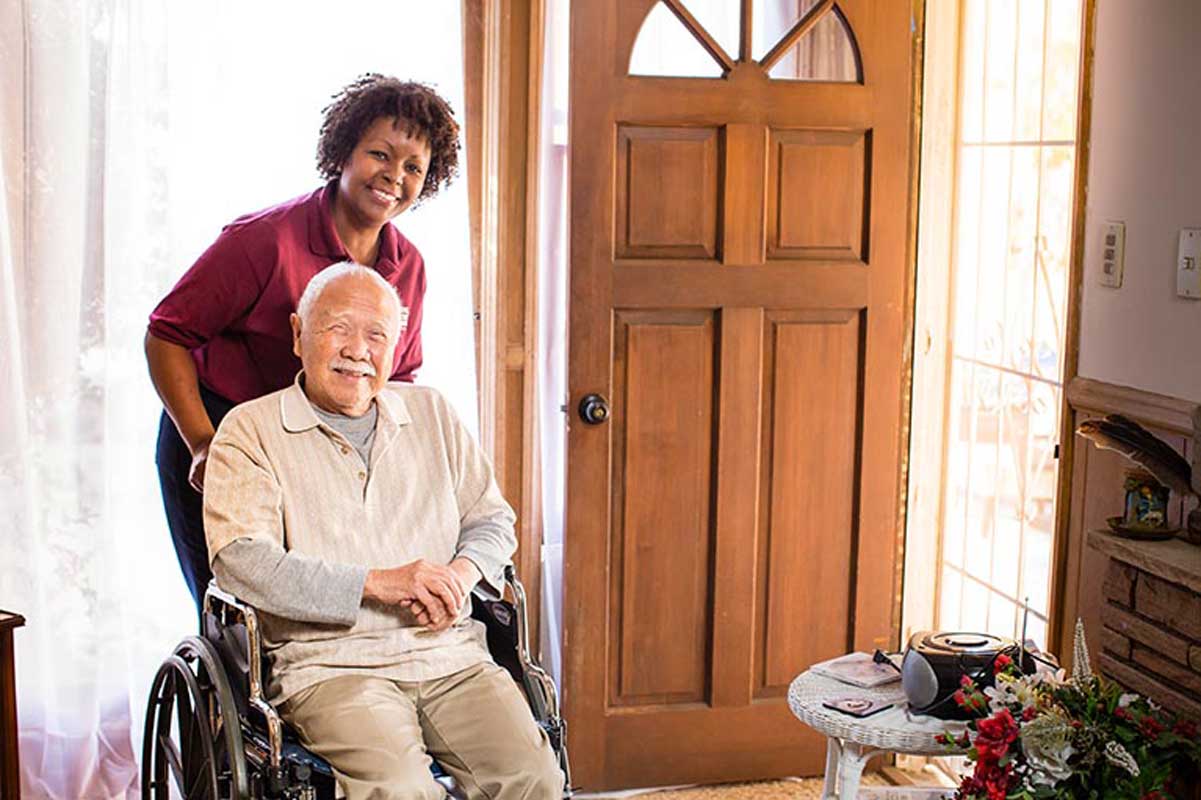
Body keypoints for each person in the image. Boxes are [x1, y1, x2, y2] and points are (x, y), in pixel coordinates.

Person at [203, 263, 563, 800]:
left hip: (451, 654)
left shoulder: (432, 413)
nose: (357, 349)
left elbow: (492, 521)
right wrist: (378, 583)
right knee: (400, 789)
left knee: (533, 778)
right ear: (299, 334)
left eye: (376, 334)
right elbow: (241, 561)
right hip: (330, 666)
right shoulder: (251, 430)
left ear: (396, 344)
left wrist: (459, 578)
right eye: (338, 328)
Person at [146, 75, 461, 610]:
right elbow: (166, 335)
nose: (394, 177)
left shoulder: (408, 266)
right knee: (237, 617)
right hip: (226, 435)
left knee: (317, 610)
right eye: (379, 154)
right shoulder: (263, 240)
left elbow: (397, 380)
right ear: (343, 152)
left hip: (319, 457)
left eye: (414, 168)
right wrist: (203, 444)